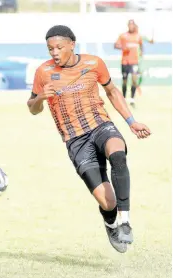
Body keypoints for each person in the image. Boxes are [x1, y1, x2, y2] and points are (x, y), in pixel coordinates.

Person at [27, 25, 151, 253]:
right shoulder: (43, 72)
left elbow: (112, 91)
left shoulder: (94, 63)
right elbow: (32, 108)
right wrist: (41, 98)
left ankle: (125, 221)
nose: (54, 53)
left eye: (58, 47)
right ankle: (111, 222)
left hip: (101, 125)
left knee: (118, 154)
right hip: (75, 140)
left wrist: (132, 122)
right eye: (50, 49)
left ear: (72, 44)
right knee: (107, 202)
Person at [114, 19, 143, 107]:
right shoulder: (123, 36)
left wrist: (141, 53)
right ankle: (124, 98)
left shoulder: (138, 36)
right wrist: (122, 47)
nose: (131, 26)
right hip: (125, 62)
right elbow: (115, 45)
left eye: (132, 25)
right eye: (129, 25)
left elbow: (141, 46)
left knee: (134, 80)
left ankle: (132, 99)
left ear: (134, 26)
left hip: (134, 62)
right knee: (125, 81)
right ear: (128, 26)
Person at [134, 23, 154, 97]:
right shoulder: (130, 36)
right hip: (132, 58)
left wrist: (151, 40)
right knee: (134, 74)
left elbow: (150, 42)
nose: (136, 30)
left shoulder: (141, 37)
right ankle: (135, 88)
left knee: (141, 73)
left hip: (139, 58)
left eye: (137, 28)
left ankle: (138, 87)